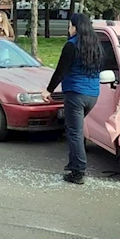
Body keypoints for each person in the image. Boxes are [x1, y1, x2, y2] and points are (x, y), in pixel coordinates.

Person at [40, 13, 102, 185]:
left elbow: (60, 70)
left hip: (75, 94)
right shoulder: (95, 45)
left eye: (70, 25)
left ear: (75, 27)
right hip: (93, 95)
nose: (69, 29)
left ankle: (78, 172)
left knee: (74, 133)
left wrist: (48, 90)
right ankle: (73, 163)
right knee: (76, 130)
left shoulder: (71, 45)